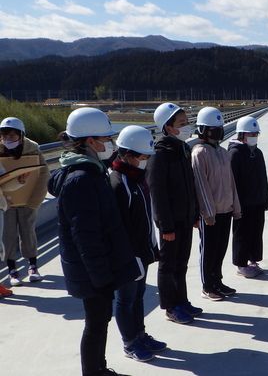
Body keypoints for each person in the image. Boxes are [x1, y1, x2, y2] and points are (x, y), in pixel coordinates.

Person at [47, 107, 142, 376]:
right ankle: (93, 371)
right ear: (90, 141)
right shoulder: (81, 179)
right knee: (96, 323)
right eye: (106, 138)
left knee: (100, 320)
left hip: (95, 269)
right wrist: (101, 277)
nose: (109, 143)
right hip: (91, 271)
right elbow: (85, 236)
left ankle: (99, 368)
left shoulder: (91, 170)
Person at [110, 125, 167, 362]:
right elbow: (116, 227)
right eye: (142, 157)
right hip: (126, 255)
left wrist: (152, 247)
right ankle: (129, 342)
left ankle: (140, 334)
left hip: (142, 251)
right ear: (127, 154)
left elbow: (146, 215)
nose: (145, 162)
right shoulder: (117, 182)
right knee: (125, 299)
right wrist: (128, 256)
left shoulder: (139, 179)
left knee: (139, 294)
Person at [147, 102, 202, 324]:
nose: (187, 126)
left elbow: (190, 184)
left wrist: (194, 213)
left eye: (187, 122)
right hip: (170, 222)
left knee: (182, 263)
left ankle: (182, 301)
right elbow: (157, 193)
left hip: (185, 218)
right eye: (182, 123)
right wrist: (165, 225)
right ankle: (170, 307)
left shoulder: (182, 148)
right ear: (168, 128)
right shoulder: (160, 154)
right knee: (168, 265)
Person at [191, 107, 241, 300]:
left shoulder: (222, 151)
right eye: (214, 128)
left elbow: (231, 182)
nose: (219, 131)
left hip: (225, 209)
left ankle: (217, 280)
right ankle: (207, 285)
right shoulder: (199, 153)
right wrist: (208, 213)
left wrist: (235, 207)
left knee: (221, 248)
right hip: (210, 213)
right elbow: (201, 186)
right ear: (204, 130)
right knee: (209, 249)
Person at [0, 117, 48, 287]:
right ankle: (12, 270)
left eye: (13, 136)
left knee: (28, 232)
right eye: (5, 135)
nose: (9, 139)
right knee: (7, 235)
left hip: (28, 200)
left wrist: (35, 199)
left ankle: (33, 266)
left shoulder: (33, 149)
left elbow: (43, 174)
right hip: (6, 203)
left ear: (21, 135)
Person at [228, 116, 268, 278]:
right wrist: (235, 204)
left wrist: (266, 200)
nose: (254, 137)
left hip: (257, 201)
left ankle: (253, 260)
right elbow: (232, 182)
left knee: (256, 231)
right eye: (250, 134)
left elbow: (263, 178)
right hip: (243, 203)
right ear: (241, 135)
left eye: (256, 134)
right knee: (242, 234)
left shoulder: (257, 152)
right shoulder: (235, 153)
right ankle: (241, 263)